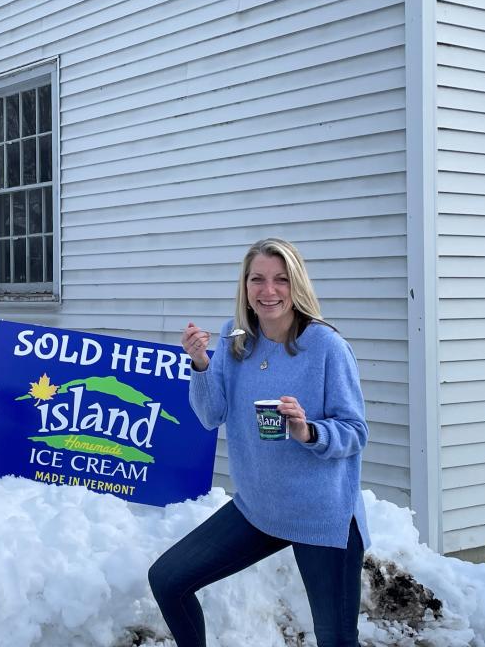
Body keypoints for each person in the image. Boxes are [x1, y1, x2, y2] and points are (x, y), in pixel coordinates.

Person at [148, 237, 369, 647]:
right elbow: (210, 414)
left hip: (320, 516)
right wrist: (200, 364)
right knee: (167, 580)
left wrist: (308, 431)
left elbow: (355, 430)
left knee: (337, 640)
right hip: (258, 509)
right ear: (245, 287)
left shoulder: (326, 347)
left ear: (296, 284)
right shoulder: (236, 342)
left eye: (281, 280)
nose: (269, 291)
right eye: (258, 280)